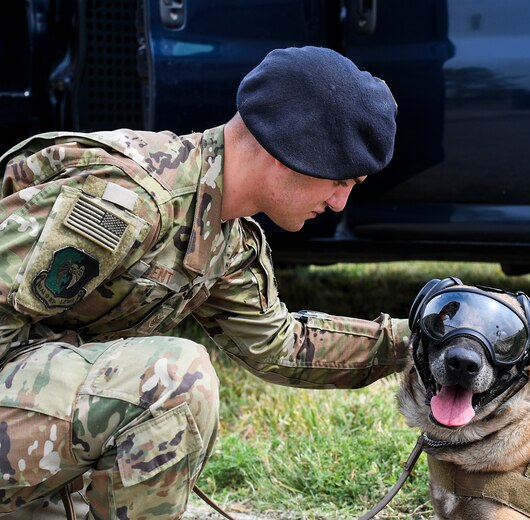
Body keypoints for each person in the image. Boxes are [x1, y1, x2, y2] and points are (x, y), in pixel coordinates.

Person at [0, 46, 408, 519]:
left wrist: (413, 342)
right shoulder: (129, 197)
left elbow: (281, 347)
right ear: (291, 153)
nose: (340, 204)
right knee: (174, 378)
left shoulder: (222, 234)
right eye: (342, 181)